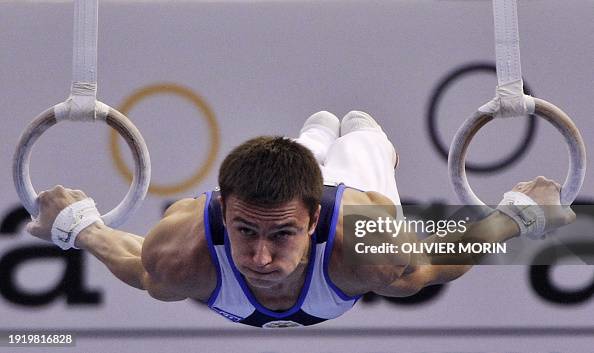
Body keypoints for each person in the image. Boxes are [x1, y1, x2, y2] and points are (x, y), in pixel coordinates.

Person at [25, 111, 575, 328]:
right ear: (223, 209)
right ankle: (311, 137)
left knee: (363, 142)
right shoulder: (180, 253)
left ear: (313, 220)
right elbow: (132, 262)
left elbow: (442, 258)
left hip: (353, 199)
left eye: (282, 233)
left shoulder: (367, 245)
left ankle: (356, 136)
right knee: (303, 148)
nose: (261, 258)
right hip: (278, 202)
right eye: (244, 232)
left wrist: (520, 214)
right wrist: (78, 224)